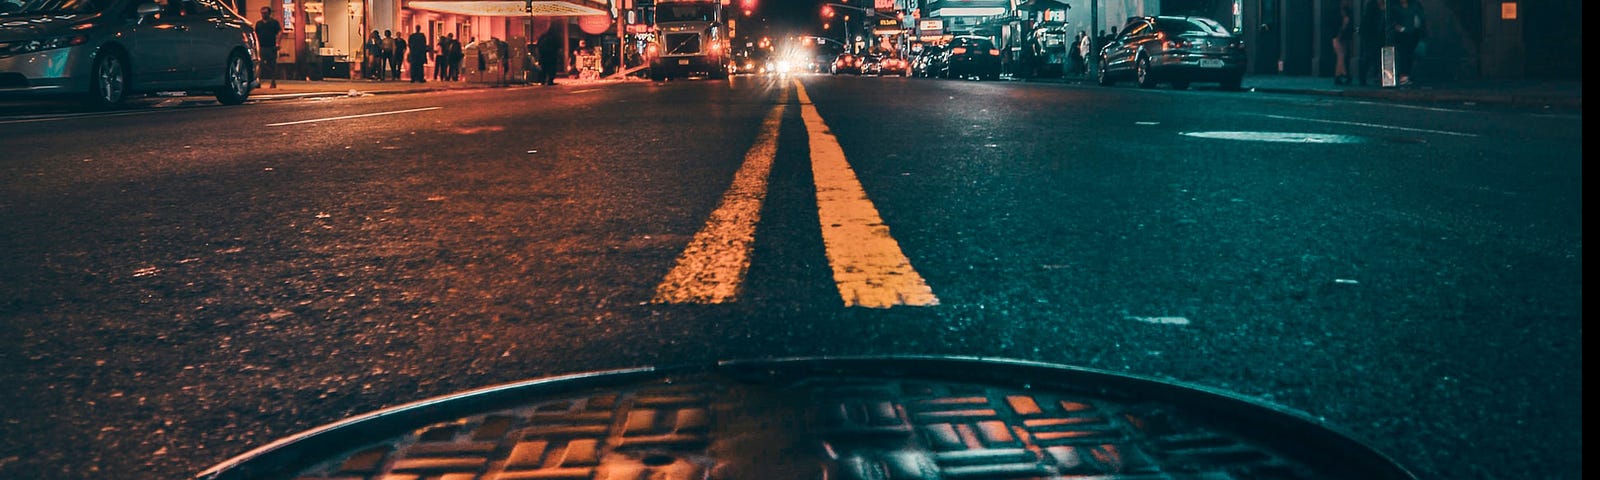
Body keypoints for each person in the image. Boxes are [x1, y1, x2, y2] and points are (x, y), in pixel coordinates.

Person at [1389, 0, 1425, 86]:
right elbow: (1392, 20)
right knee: (1403, 55)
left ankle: (1408, 76)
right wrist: (1399, 28)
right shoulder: (1394, 7)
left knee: (1411, 55)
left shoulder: (1414, 5)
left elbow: (1420, 18)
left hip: (1414, 34)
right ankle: (1403, 77)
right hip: (1401, 35)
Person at [1357, 0, 1385, 86]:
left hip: (1382, 35)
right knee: (1369, 56)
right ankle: (1363, 76)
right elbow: (1366, 21)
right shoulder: (1371, 5)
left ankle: (1379, 76)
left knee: (1379, 56)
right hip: (1370, 35)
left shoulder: (1389, 5)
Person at [254, 6, 282, 88]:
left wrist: (278, 43)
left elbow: (280, 32)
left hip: (271, 46)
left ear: (269, 13)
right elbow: (256, 34)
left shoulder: (274, 23)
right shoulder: (259, 24)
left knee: (272, 65)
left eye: (265, 13)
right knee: (260, 65)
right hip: (262, 47)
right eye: (262, 13)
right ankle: (258, 82)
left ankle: (273, 82)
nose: (263, 15)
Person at [1331, 0, 1353, 85]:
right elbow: (1335, 25)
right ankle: (1342, 74)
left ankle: (1341, 74)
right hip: (1337, 37)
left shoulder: (1347, 11)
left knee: (1342, 56)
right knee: (1341, 56)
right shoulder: (1336, 12)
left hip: (1343, 37)